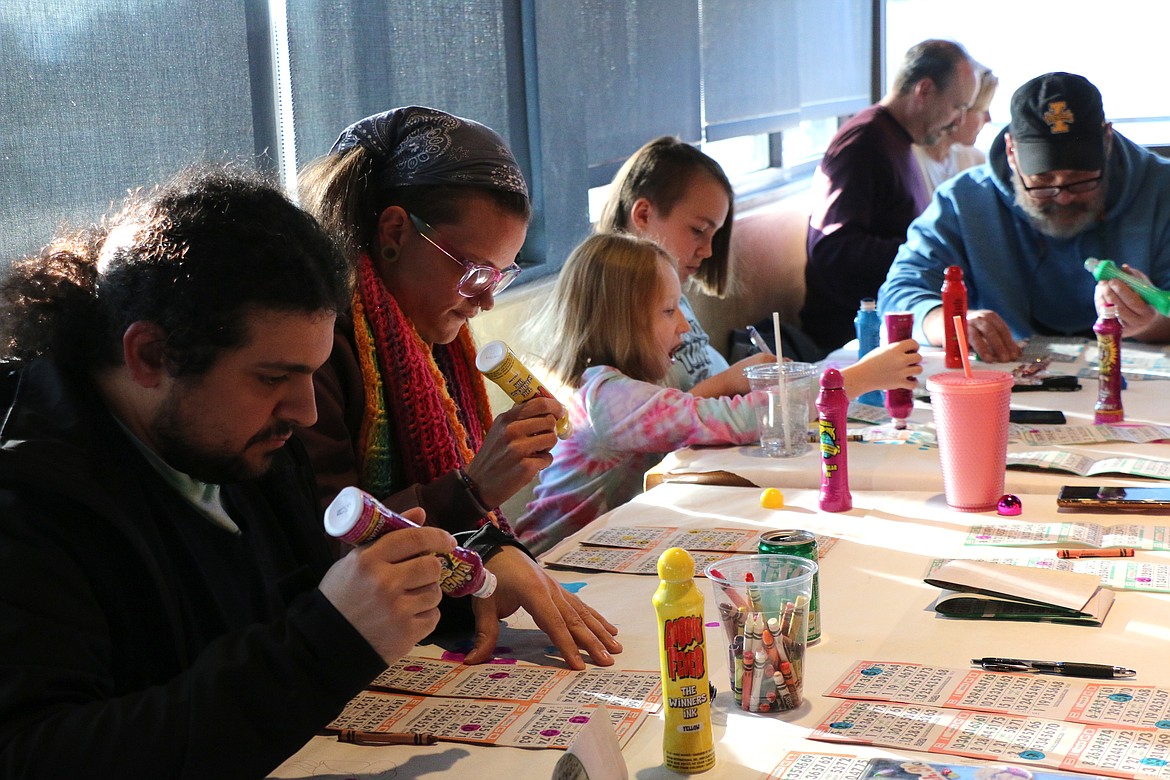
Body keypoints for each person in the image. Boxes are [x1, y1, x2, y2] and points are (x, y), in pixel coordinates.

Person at [0, 168, 458, 778]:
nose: (306, 410)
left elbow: (306, 603)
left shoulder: (242, 441)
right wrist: (327, 643)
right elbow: (42, 755)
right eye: (273, 378)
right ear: (150, 356)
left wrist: (439, 590)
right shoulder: (27, 503)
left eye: (311, 373)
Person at [297, 106, 623, 669]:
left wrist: (490, 550)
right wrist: (472, 490)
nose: (486, 299)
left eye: (500, 275)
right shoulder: (314, 353)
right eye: (474, 271)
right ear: (395, 232)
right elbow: (323, 545)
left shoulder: (439, 347)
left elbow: (471, 533)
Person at [513, 233, 922, 554]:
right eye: (669, 311)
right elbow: (735, 421)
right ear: (622, 320)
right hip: (549, 563)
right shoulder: (606, 398)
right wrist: (857, 378)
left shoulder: (610, 386)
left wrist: (727, 382)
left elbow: (674, 415)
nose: (684, 328)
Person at [879, 72, 1170, 363]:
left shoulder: (1162, 190)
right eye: (1043, 182)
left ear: (1107, 140)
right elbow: (898, 294)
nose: (1063, 196)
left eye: (1081, 180)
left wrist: (1151, 323)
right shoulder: (963, 202)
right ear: (1011, 151)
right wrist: (944, 322)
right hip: (1007, 381)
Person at [801, 39, 977, 353]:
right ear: (924, 90)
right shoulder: (864, 143)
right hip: (855, 335)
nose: (958, 121)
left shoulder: (896, 140)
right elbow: (831, 252)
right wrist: (922, 252)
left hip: (894, 322)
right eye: (957, 106)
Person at [596, 136, 780, 396]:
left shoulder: (674, 296)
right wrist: (729, 381)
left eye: (713, 235)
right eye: (698, 230)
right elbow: (649, 418)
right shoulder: (618, 314)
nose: (708, 251)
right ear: (643, 215)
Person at [913, 61, 999, 192]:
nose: (988, 119)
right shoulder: (911, 159)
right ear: (960, 110)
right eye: (983, 110)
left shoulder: (978, 161)